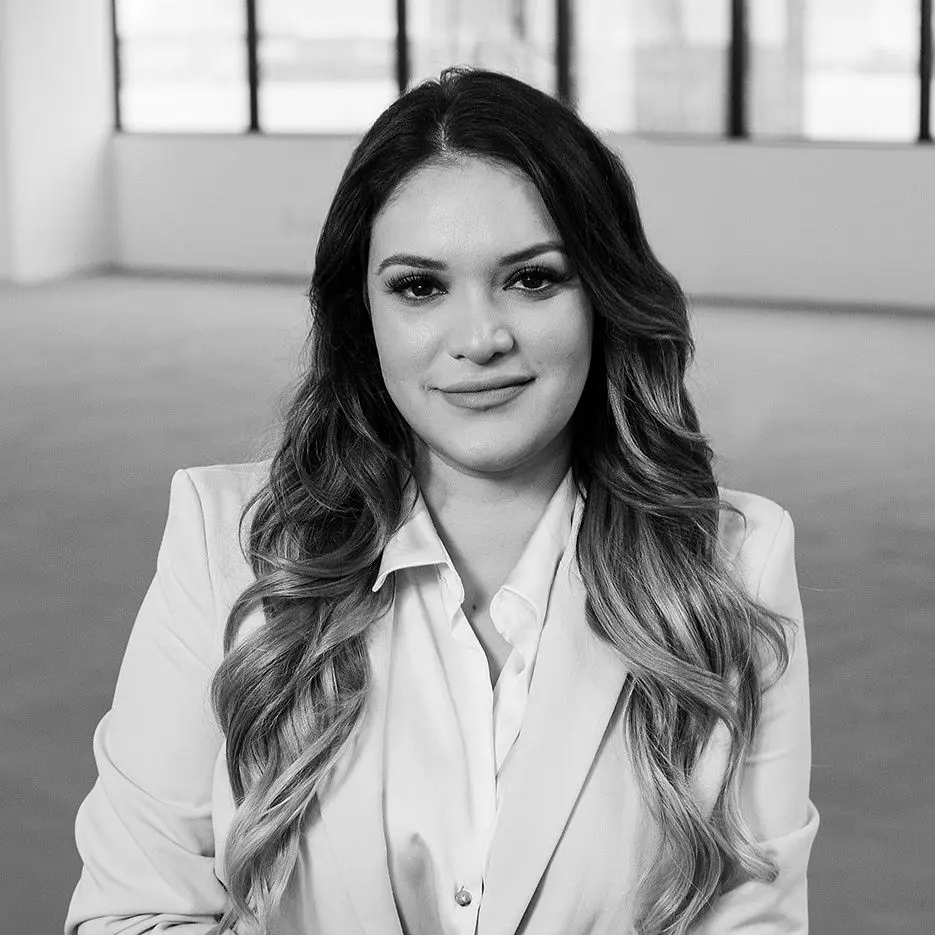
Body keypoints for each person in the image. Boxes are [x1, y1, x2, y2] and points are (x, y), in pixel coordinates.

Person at [65, 68, 818, 935]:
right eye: (420, 286)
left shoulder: (735, 562)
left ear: (604, 295)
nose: (479, 338)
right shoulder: (226, 543)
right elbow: (131, 915)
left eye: (532, 279)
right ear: (363, 315)